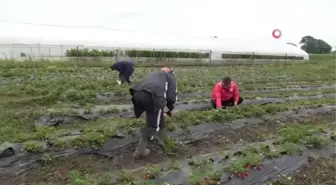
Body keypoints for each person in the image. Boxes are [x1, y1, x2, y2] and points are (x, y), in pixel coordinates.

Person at [130, 67, 177, 158]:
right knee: (152, 126)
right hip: (152, 96)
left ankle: (164, 140)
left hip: (137, 93)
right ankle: (140, 151)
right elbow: (171, 97)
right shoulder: (170, 77)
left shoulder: (155, 74)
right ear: (171, 72)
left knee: (156, 116)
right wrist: (171, 109)